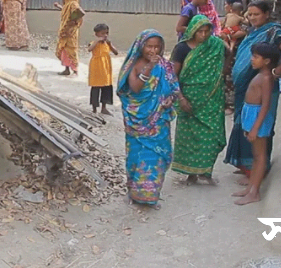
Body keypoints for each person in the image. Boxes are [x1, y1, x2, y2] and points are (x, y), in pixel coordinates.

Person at [224, 0, 281, 185]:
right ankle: (247, 166)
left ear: (267, 14)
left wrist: (276, 72)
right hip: (247, 88)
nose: (252, 18)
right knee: (244, 125)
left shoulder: (274, 33)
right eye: (249, 15)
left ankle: (258, 169)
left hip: (262, 89)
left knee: (259, 129)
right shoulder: (253, 32)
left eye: (256, 14)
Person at [117, 30, 190, 209]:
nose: (153, 50)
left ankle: (150, 196)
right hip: (138, 121)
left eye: (157, 46)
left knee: (158, 155)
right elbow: (134, 88)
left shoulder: (165, 65)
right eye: (149, 46)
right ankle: (134, 193)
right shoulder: (133, 65)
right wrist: (148, 67)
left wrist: (179, 99)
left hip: (158, 120)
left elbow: (173, 84)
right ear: (141, 46)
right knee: (136, 156)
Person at [170, 15, 226, 185]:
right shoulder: (181, 49)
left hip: (211, 99)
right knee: (190, 137)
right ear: (192, 31)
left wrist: (220, 75)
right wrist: (180, 98)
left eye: (206, 31)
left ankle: (206, 171)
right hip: (189, 100)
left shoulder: (215, 45)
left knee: (212, 135)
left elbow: (228, 53)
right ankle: (191, 174)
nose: (203, 34)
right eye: (199, 31)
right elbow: (172, 75)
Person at [232, 42, 279, 205]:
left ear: (266, 61)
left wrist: (255, 128)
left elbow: (266, 104)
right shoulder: (260, 74)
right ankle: (251, 187)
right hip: (251, 114)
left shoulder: (266, 78)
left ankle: (254, 192)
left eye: (256, 57)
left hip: (258, 116)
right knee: (255, 155)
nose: (252, 59)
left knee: (260, 157)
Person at [88, 23, 119, 115]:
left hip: (106, 68)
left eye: (106, 33)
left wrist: (111, 44)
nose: (105, 35)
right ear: (96, 34)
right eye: (102, 33)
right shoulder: (93, 43)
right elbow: (90, 49)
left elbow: (116, 52)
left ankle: (104, 107)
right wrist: (97, 41)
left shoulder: (107, 44)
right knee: (96, 88)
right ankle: (94, 108)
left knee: (106, 87)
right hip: (96, 68)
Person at [54, 0, 85, 76]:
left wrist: (73, 21)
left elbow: (80, 13)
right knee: (64, 50)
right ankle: (66, 69)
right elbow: (66, 11)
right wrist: (59, 6)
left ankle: (75, 70)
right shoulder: (68, 4)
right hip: (65, 31)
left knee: (71, 49)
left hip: (70, 32)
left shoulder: (73, 4)